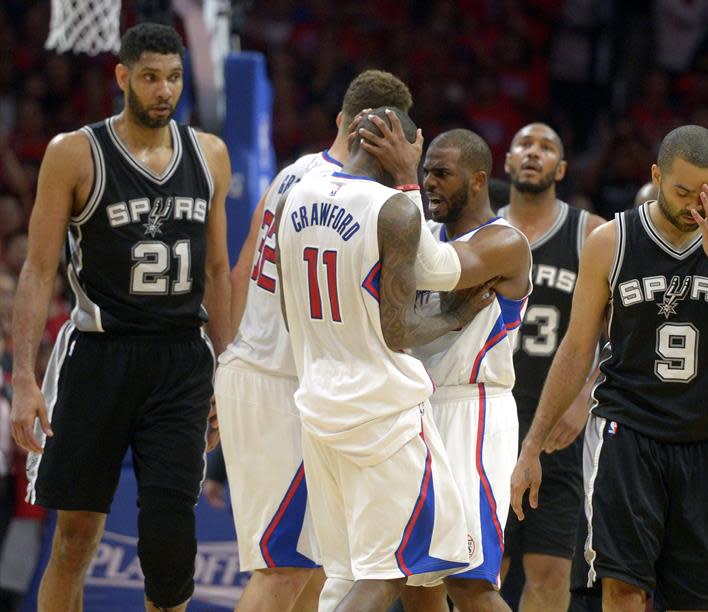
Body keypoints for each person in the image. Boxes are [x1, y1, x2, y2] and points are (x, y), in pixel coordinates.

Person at [510, 124, 708, 611]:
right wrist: (532, 445)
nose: (694, 204)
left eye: (707, 192)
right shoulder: (610, 240)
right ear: (656, 176)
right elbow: (576, 349)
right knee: (623, 592)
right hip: (626, 434)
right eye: (681, 191)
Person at [9, 23, 232, 612]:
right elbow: (37, 270)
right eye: (151, 77)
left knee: (168, 546)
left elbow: (215, 271)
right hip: (97, 355)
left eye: (175, 78)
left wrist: (229, 373)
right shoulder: (74, 153)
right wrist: (25, 379)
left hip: (181, 360)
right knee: (76, 537)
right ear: (123, 77)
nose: (164, 90)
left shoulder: (209, 153)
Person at [213, 69, 418, 612]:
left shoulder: (293, 174)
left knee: (318, 567)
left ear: (341, 121)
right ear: (388, 134)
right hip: (282, 383)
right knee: (285, 571)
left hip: (261, 370)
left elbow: (240, 274)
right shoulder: (366, 200)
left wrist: (225, 362)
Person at [277, 107, 495, 612]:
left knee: (353, 574)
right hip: (382, 414)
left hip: (319, 408)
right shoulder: (392, 210)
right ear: (405, 146)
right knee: (386, 576)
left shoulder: (293, 196)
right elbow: (406, 323)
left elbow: (292, 316)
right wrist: (456, 316)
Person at [400, 129, 531, 612]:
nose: (429, 181)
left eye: (441, 173)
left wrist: (399, 184)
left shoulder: (504, 242)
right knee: (417, 577)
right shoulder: (425, 237)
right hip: (418, 409)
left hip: (473, 413)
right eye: (424, 171)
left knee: (469, 581)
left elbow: (436, 269)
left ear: (478, 180)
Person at [497, 122, 604, 612]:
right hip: (486, 418)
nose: (533, 153)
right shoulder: (481, 228)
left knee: (550, 570)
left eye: (546, 148)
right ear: (506, 162)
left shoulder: (590, 232)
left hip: (557, 426)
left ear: (561, 169)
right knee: (480, 566)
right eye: (524, 145)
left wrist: (586, 397)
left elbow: (624, 332)